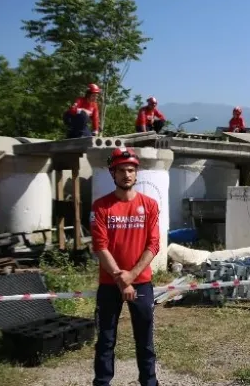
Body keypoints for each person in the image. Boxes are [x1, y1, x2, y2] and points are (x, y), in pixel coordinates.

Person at [90, 147, 160, 386]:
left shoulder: (149, 205)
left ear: (136, 173)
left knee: (145, 340)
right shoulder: (100, 207)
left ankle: (149, 382)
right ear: (113, 174)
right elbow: (100, 247)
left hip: (141, 283)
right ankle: (102, 382)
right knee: (106, 340)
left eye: (131, 170)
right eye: (121, 170)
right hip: (110, 284)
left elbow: (153, 245)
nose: (126, 175)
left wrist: (130, 276)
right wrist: (121, 279)